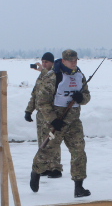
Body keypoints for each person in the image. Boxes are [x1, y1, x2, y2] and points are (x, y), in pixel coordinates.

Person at [30, 49, 91, 198]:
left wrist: (81, 98)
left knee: (79, 152)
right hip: (56, 123)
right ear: (63, 61)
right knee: (47, 151)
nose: (74, 63)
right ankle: (36, 171)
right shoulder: (53, 76)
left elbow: (87, 96)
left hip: (74, 121)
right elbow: (42, 102)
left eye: (75, 60)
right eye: (71, 60)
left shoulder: (79, 76)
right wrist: (53, 119)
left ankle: (79, 186)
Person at [24, 52, 62, 178]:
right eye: (43, 62)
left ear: (52, 63)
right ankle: (45, 166)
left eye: (47, 62)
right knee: (42, 140)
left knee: (52, 140)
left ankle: (55, 167)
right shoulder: (42, 76)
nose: (44, 64)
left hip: (51, 113)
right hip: (41, 114)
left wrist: (42, 70)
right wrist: (29, 110)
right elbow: (35, 94)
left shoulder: (55, 74)